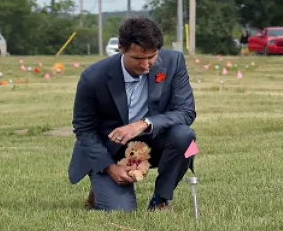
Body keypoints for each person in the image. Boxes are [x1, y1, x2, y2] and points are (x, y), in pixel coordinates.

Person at [67, 16, 197, 212]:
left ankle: (160, 200)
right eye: (137, 58)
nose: (145, 66)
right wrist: (110, 167)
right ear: (121, 48)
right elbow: (84, 129)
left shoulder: (174, 62)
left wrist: (143, 124)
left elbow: (186, 112)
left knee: (186, 137)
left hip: (154, 142)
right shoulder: (93, 77)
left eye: (151, 57)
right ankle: (101, 186)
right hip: (110, 152)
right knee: (121, 211)